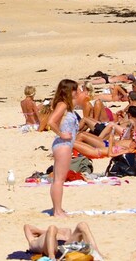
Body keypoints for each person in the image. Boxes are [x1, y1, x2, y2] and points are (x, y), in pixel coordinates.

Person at [42, 79, 84, 217]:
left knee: (59, 179)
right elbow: (51, 121)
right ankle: (57, 210)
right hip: (63, 145)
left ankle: (58, 208)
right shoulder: (63, 104)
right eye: (75, 90)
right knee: (59, 180)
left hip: (65, 145)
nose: (77, 92)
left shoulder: (67, 105)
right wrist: (61, 133)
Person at [24, 223, 103, 260]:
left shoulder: (57, 234)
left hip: (65, 246)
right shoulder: (32, 242)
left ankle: (97, 254)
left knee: (82, 225)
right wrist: (45, 232)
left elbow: (67, 230)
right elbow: (26, 227)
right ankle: (52, 258)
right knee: (52, 227)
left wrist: (41, 231)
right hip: (51, 250)